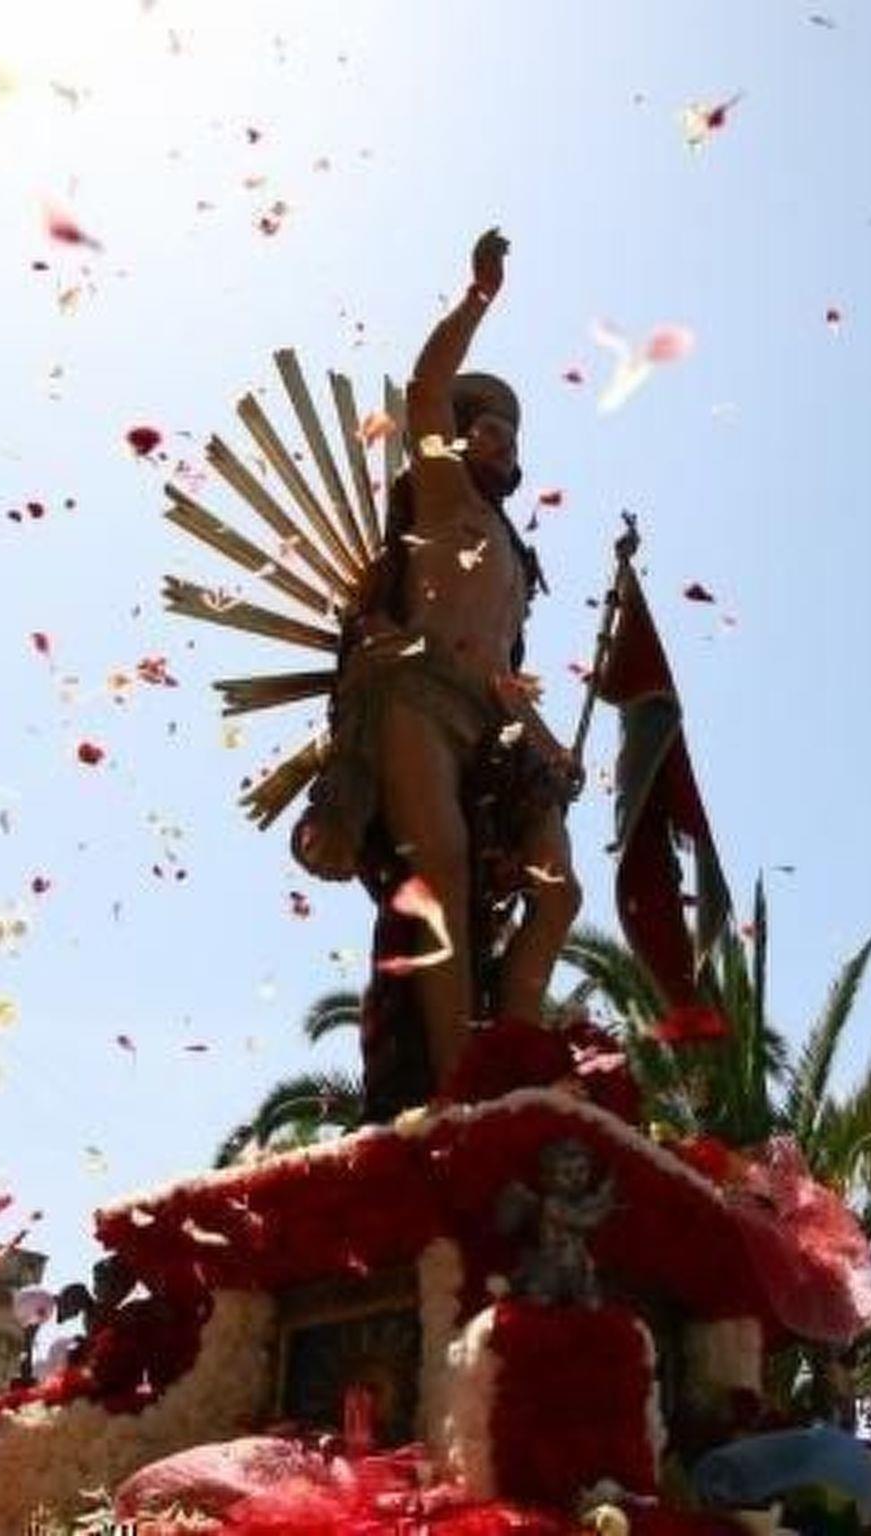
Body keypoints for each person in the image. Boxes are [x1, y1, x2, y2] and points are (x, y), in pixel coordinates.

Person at [294, 229, 581, 1107]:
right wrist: (478, 297)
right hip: (416, 697)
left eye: (511, 435)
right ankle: (460, 1089)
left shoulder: (517, 558)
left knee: (559, 893)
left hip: (492, 721)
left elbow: (502, 669)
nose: (502, 441)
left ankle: (514, 1060)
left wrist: (549, 745)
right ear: (460, 438)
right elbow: (423, 390)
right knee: (444, 872)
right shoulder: (442, 493)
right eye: (487, 427)